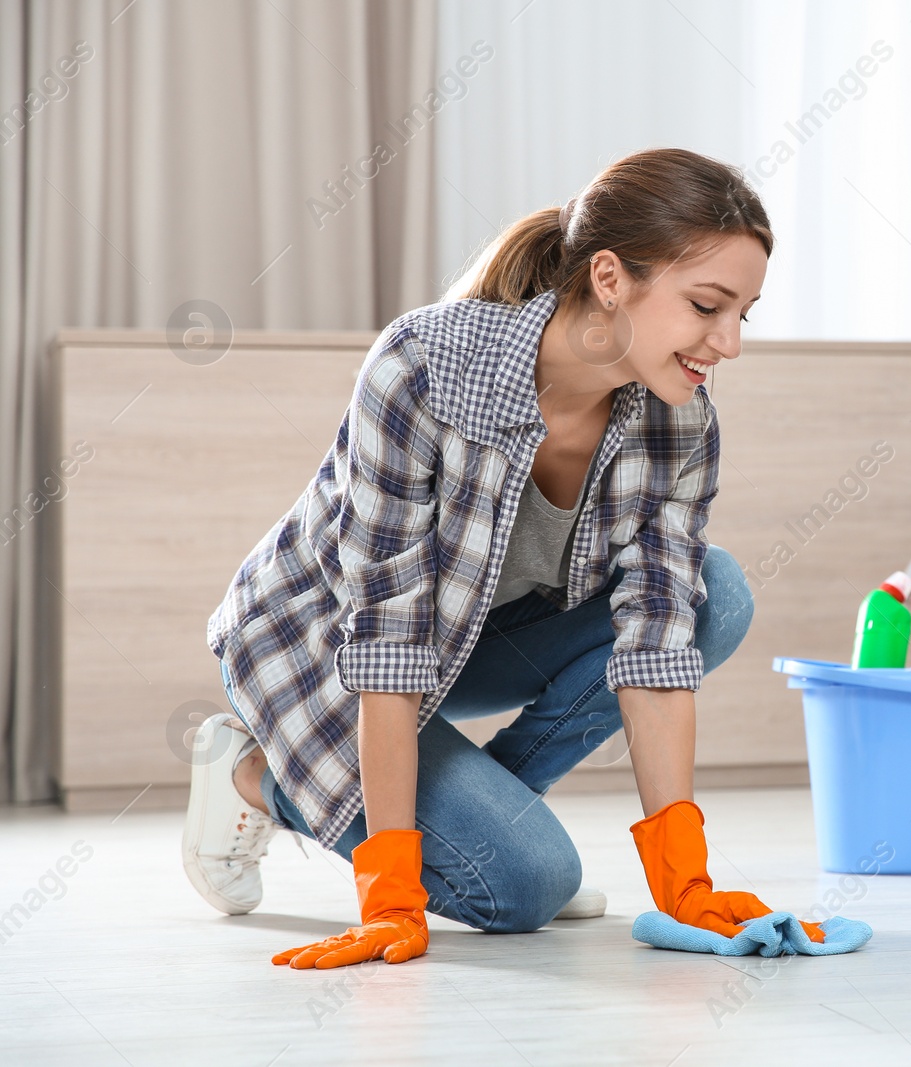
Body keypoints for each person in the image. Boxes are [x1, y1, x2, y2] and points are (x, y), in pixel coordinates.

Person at [182, 147, 823, 969]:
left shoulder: (680, 422)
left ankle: (499, 819)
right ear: (610, 278)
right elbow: (389, 634)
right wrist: (391, 889)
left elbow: (657, 640)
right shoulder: (423, 367)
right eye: (707, 305)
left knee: (716, 595)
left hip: (478, 635)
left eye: (745, 313)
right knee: (524, 887)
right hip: (321, 642)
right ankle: (246, 772)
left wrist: (683, 882)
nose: (728, 342)